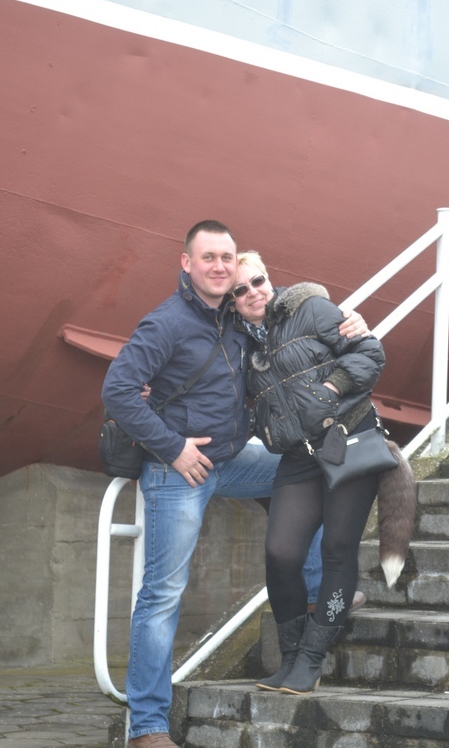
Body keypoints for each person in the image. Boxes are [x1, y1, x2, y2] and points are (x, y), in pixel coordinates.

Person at [101, 220, 368, 748]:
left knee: (305, 466)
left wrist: (347, 321)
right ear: (187, 263)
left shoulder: (235, 314)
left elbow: (285, 307)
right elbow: (118, 389)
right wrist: (172, 448)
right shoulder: (167, 323)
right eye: (209, 258)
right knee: (162, 594)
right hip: (179, 468)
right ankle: (147, 726)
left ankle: (317, 591)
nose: (221, 267)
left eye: (227, 257)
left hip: (231, 457)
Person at [231, 250, 386, 695]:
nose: (252, 293)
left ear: (269, 279)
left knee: (337, 550)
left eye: (257, 281)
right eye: (240, 290)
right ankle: (291, 657)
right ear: (231, 300)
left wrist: (331, 388)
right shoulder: (239, 343)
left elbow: (370, 351)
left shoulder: (310, 309)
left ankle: (312, 659)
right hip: (298, 458)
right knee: (280, 553)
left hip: (347, 440)